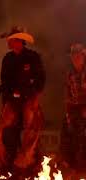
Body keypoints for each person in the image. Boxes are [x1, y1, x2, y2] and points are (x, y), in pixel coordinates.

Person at [0, 26, 46, 174]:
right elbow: (5, 81)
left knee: (31, 126)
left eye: (11, 39)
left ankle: (25, 161)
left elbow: (40, 80)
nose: (8, 42)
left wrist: (33, 95)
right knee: (2, 128)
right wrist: (7, 95)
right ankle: (4, 162)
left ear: (19, 41)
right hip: (12, 99)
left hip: (29, 98)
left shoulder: (33, 57)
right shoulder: (7, 59)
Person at [60, 43, 86, 174]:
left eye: (78, 55)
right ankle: (69, 164)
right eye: (73, 56)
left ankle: (82, 166)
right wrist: (68, 113)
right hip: (75, 108)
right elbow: (67, 94)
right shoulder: (69, 73)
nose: (76, 58)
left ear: (83, 56)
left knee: (82, 134)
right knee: (67, 131)